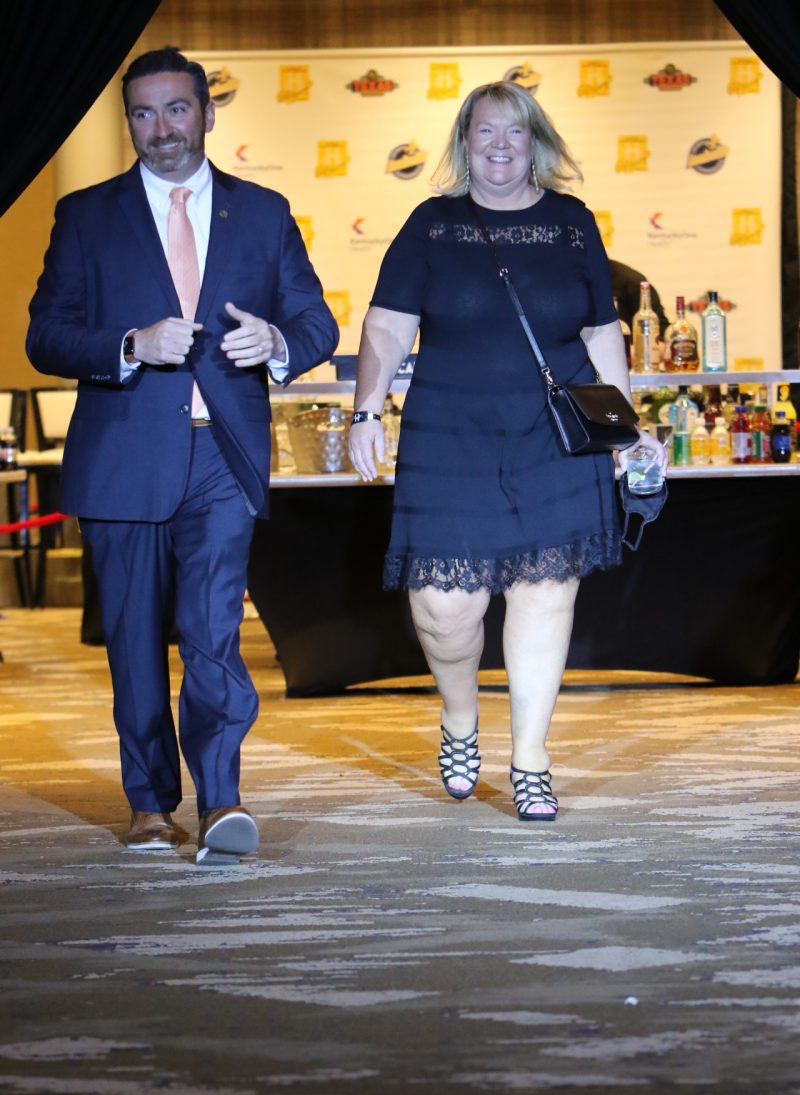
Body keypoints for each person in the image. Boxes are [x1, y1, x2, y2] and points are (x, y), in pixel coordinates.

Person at [27, 47, 338, 863]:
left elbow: (316, 323)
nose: (161, 128)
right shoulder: (86, 215)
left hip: (221, 456)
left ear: (207, 112)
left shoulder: (262, 211)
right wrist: (130, 344)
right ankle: (149, 803)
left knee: (212, 632)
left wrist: (277, 342)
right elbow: (45, 335)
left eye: (176, 109)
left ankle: (222, 798)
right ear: (128, 121)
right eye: (143, 113)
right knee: (134, 643)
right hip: (123, 458)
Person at [349, 81, 665, 822]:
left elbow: (600, 332)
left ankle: (530, 759)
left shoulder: (572, 223)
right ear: (465, 143)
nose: (499, 145)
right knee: (443, 608)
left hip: (552, 433)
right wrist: (367, 409)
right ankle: (460, 716)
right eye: (485, 131)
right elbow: (387, 325)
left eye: (514, 131)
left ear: (535, 143)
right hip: (449, 434)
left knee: (545, 592)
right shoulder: (432, 225)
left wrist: (623, 430)